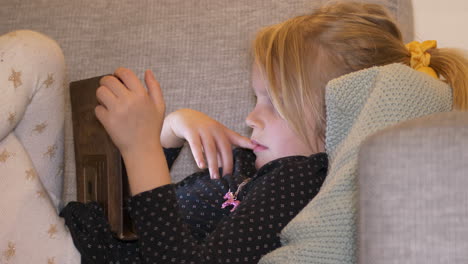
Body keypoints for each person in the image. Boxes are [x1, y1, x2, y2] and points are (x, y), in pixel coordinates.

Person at [2, 1, 468, 264]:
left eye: (271, 103)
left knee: (27, 51)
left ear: (335, 117)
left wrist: (141, 147)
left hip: (71, 256)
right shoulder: (251, 164)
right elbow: (129, 218)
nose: (251, 117)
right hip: (70, 231)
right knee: (37, 53)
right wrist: (170, 134)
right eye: (254, 99)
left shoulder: (298, 183)